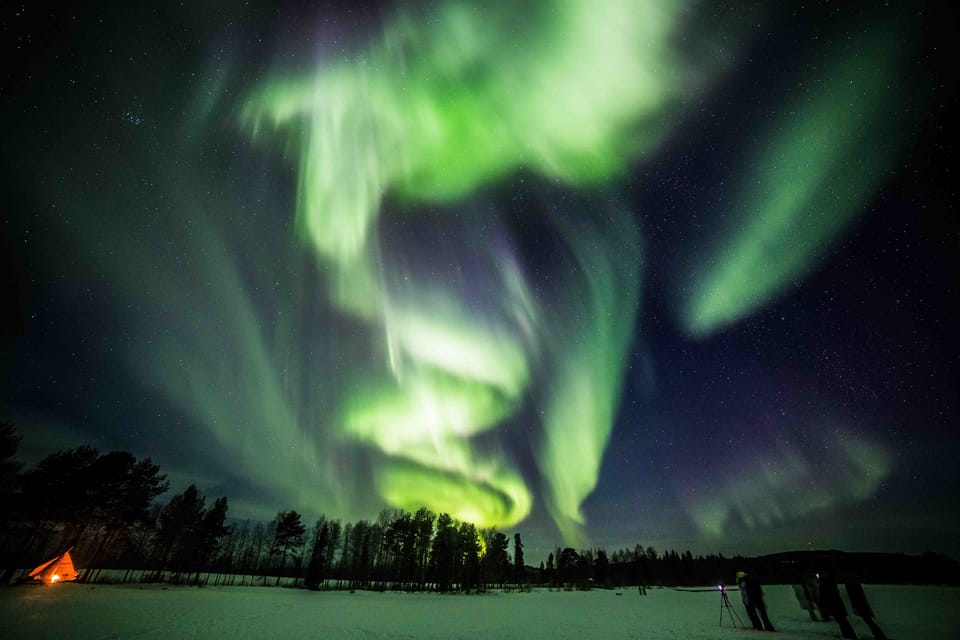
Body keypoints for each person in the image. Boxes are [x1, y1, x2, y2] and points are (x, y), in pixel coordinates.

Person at [818, 572, 857, 639]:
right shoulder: (830, 581)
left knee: (841, 621)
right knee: (842, 621)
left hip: (833, 604)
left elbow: (824, 595)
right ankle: (849, 635)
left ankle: (848, 635)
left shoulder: (824, 583)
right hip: (836, 604)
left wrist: (824, 604)